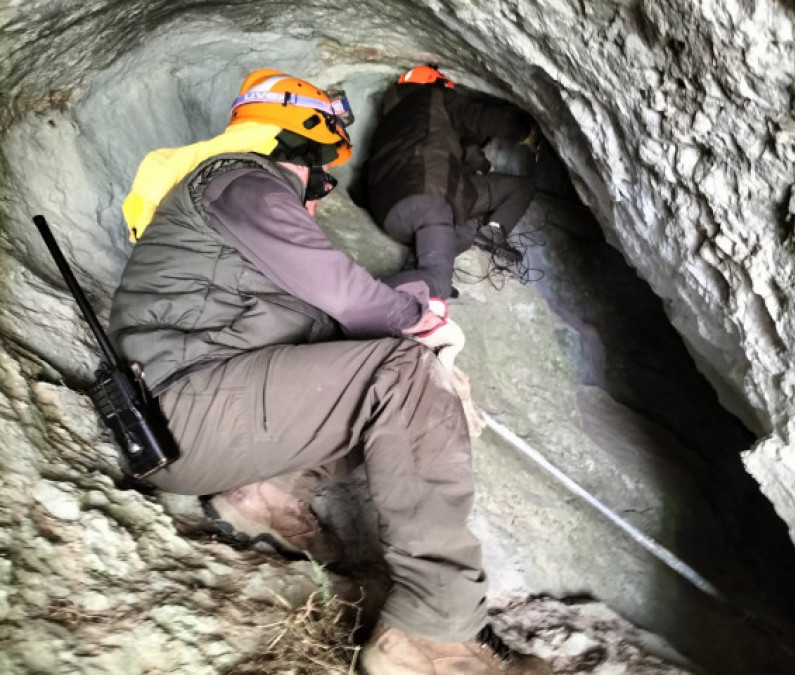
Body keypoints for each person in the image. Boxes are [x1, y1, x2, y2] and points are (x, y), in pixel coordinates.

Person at [108, 69, 551, 675]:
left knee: (387, 359)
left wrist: (418, 313)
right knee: (399, 370)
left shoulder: (225, 209)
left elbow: (331, 322)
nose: (318, 201)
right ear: (306, 137)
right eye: (323, 178)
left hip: (193, 417)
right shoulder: (242, 180)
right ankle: (435, 629)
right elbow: (346, 297)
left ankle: (265, 493)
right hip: (189, 410)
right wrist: (422, 336)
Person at [361, 65, 539, 299]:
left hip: (390, 211)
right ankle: (352, 301)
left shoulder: (390, 124)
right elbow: (483, 119)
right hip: (426, 199)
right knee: (436, 284)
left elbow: (462, 152)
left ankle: (485, 236)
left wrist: (481, 167)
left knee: (464, 230)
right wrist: (527, 132)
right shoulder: (434, 98)